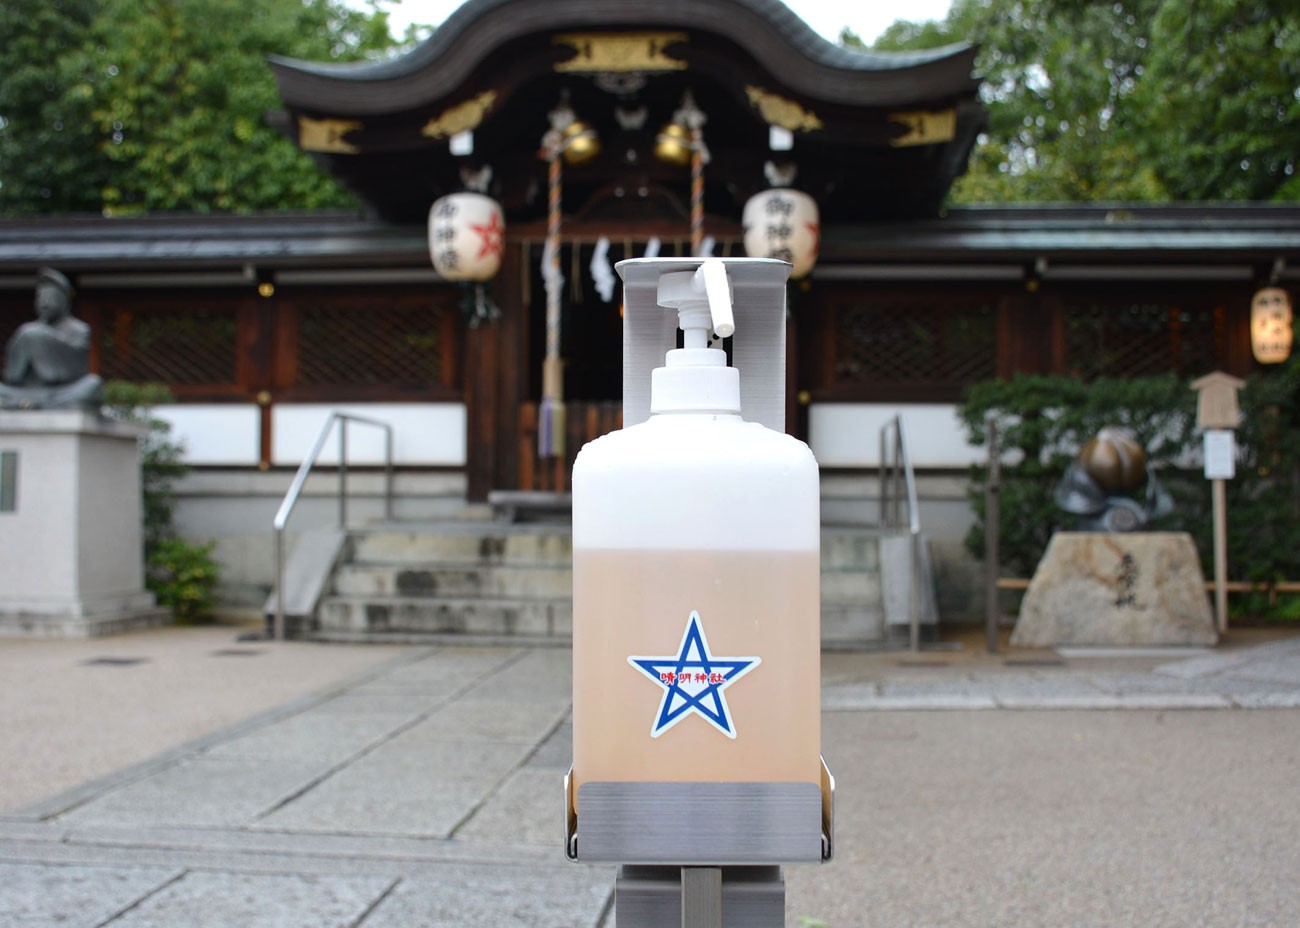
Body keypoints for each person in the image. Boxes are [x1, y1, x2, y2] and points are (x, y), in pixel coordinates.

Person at [1, 267, 103, 410]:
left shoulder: (78, 329)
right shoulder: (27, 330)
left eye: (51, 298)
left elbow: (77, 367)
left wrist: (42, 339)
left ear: (63, 301)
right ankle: (26, 403)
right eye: (41, 298)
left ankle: (29, 404)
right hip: (26, 391)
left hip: (64, 391)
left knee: (92, 385)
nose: (45, 303)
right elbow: (13, 375)